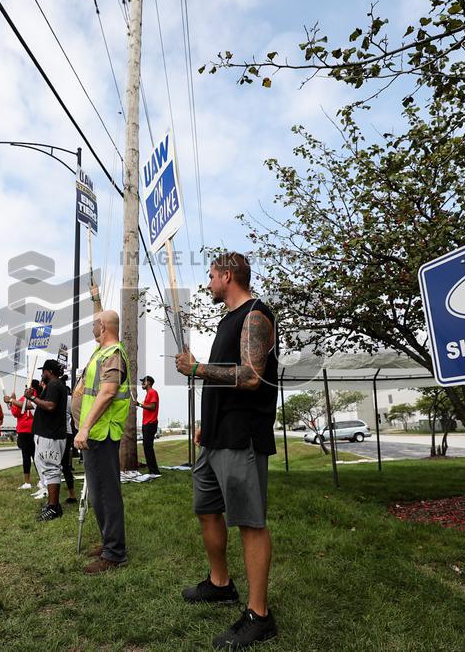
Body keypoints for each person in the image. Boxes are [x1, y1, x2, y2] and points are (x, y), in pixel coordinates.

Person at [174, 252, 279, 649]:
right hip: (215, 436)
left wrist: (198, 369)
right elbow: (225, 379)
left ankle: (259, 615)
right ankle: (220, 583)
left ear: (229, 275)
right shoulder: (226, 320)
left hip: (242, 436)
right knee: (206, 508)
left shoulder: (255, 315)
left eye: (212, 276)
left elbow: (251, 377)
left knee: (250, 521)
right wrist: (207, 421)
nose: (209, 283)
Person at [73, 310, 131, 574]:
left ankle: (115, 553)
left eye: (95, 323)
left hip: (101, 433)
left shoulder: (113, 355)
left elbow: (107, 392)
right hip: (94, 435)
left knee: (106, 494)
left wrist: (84, 428)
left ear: (104, 326)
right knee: (98, 494)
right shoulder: (101, 351)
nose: (92, 328)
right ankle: (109, 542)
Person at [27, 359, 68, 521]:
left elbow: (50, 406)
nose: (41, 374)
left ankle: (54, 507)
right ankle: (52, 504)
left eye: (43, 371)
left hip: (51, 435)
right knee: (48, 469)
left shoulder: (55, 385)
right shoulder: (54, 386)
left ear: (48, 371)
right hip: (48, 434)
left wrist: (32, 398)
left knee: (51, 469)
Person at [5, 381, 38, 490]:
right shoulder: (39, 398)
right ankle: (42, 479)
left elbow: (15, 413)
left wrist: (12, 401)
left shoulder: (24, 399)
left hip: (25, 430)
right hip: (35, 430)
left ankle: (27, 481)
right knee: (36, 456)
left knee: (26, 456)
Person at [134, 376, 160, 475]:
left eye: (143, 382)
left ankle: (154, 471)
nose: (142, 384)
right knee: (147, 447)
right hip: (147, 423)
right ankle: (152, 470)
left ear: (148, 382)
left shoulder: (153, 392)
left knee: (148, 447)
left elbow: (152, 407)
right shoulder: (148, 393)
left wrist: (139, 404)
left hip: (150, 423)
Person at [60, 373, 78, 504]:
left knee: (60, 464)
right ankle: (72, 494)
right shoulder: (71, 399)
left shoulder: (60, 398)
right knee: (65, 464)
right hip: (68, 432)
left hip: (59, 433)